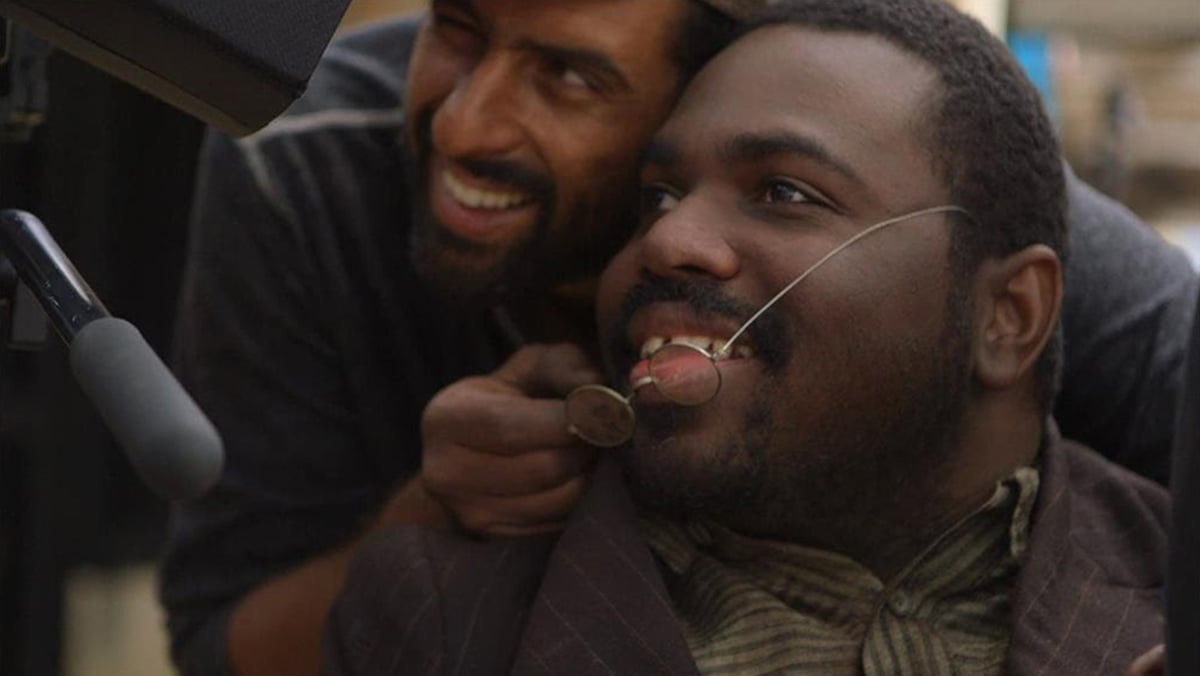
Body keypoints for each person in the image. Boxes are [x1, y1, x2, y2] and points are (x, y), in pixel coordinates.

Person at [161, 0, 1193, 674]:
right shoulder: (305, 158)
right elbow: (218, 644)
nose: (464, 126)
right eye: (456, 27)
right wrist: (434, 516)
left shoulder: (952, 172)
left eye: (571, 77)